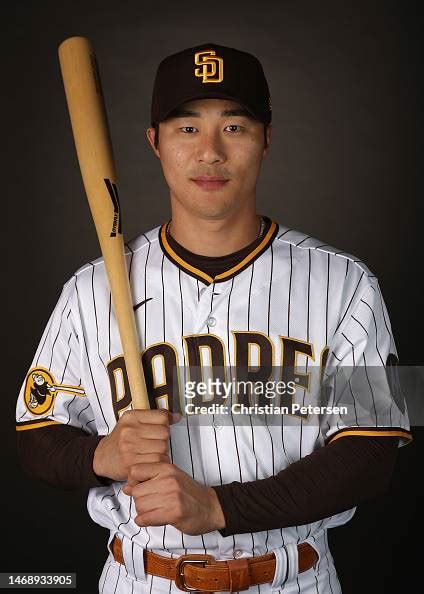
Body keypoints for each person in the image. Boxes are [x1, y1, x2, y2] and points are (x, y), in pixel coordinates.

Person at [16, 43, 412, 594]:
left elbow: (372, 452)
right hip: (141, 578)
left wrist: (218, 506)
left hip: (292, 579)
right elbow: (36, 435)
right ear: (154, 142)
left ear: (266, 140)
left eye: (234, 127)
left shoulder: (345, 282)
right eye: (186, 128)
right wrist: (101, 454)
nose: (209, 152)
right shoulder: (89, 290)